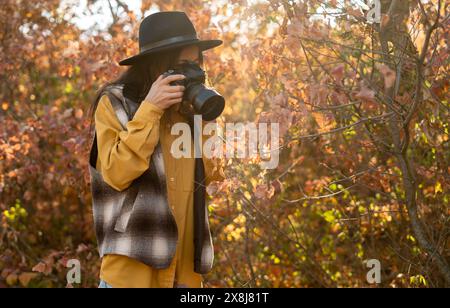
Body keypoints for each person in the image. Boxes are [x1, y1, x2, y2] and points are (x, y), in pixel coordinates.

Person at [88, 11, 224, 288]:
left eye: (197, 63)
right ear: (158, 65)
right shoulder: (115, 102)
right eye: (184, 65)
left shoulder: (191, 111)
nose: (194, 73)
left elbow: (214, 177)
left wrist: (207, 124)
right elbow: (116, 173)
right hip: (131, 272)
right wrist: (151, 110)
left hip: (184, 274)